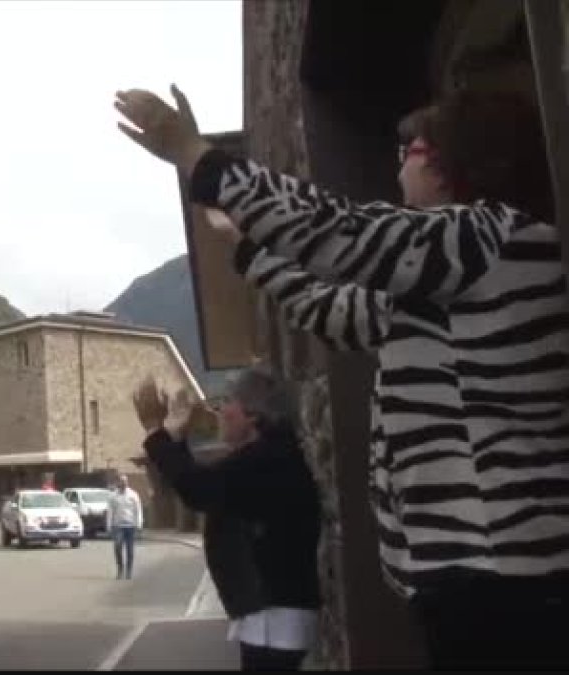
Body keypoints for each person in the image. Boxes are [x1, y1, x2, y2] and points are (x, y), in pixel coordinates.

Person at [115, 84, 569, 669]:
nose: (400, 160)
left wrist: (193, 154)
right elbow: (326, 306)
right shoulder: (445, 280)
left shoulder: (484, 236)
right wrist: (245, 242)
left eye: (409, 148)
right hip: (474, 575)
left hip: (500, 576)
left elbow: (338, 230)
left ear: (443, 161)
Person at [133, 370, 320, 670]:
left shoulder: (266, 460)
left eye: (229, 402)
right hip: (270, 608)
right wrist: (176, 439)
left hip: (273, 612)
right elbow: (196, 485)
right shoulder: (271, 455)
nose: (220, 410)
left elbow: (198, 489)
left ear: (253, 415)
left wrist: (157, 433)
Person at [107, 474, 143, 580]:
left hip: (130, 525)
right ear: (118, 483)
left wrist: (139, 523)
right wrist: (109, 525)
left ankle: (129, 571)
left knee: (130, 550)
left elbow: (138, 510)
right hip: (118, 526)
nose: (123, 483)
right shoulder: (113, 496)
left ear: (127, 483)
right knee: (117, 547)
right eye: (121, 481)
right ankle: (120, 569)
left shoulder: (133, 495)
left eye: (125, 481)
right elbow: (110, 511)